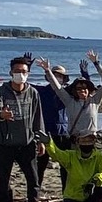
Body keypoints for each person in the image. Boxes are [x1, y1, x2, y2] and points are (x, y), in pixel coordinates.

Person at [0, 55, 45, 202]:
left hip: (27, 143)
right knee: (3, 179)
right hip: (5, 144)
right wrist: (2, 114)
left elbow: (38, 118)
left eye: (23, 71)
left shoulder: (33, 93)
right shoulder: (1, 92)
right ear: (10, 72)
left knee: (33, 178)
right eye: (17, 71)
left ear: (28, 73)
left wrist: (41, 140)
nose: (20, 74)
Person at [39, 51, 102, 140]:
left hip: (91, 140)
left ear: (89, 90)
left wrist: (99, 64)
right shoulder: (69, 101)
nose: (82, 90)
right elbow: (57, 88)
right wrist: (48, 71)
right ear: (74, 90)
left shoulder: (95, 101)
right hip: (74, 140)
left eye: (85, 88)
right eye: (78, 88)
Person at [43, 133, 102, 202]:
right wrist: (48, 143)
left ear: (94, 142)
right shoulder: (71, 156)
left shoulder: (99, 157)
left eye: (89, 141)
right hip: (74, 196)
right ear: (77, 142)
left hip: (92, 195)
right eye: (83, 141)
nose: (86, 144)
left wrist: (96, 180)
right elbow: (57, 154)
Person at [32, 58, 71, 192]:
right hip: (45, 133)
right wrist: (27, 67)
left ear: (64, 79)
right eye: (54, 75)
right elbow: (22, 84)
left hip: (64, 133)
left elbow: (85, 87)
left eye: (60, 76)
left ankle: (67, 194)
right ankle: (35, 195)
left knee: (66, 166)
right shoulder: (41, 91)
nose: (57, 78)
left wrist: (85, 71)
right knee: (40, 166)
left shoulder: (68, 92)